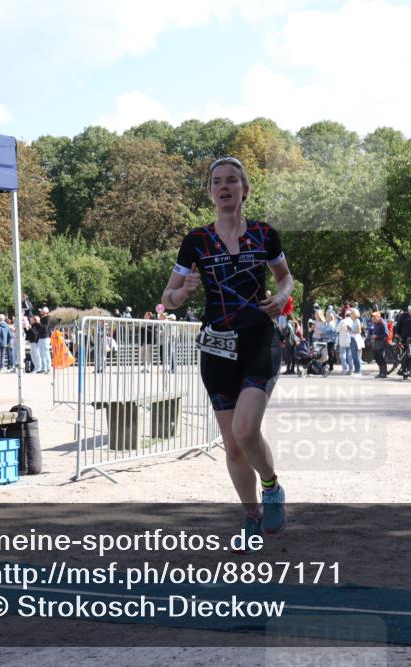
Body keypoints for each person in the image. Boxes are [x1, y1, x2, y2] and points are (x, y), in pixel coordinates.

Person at [160, 156, 291, 538]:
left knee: (247, 430)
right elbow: (167, 297)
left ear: (245, 189)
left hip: (258, 342)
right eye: (217, 181)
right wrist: (179, 294)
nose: (224, 186)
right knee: (233, 445)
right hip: (216, 348)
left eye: (232, 180)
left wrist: (282, 297)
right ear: (210, 192)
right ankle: (251, 516)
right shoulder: (196, 240)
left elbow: (285, 279)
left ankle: (271, 488)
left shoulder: (265, 235)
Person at [369, 310, 390, 378]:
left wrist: (377, 336)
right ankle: (380, 372)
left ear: (378, 317)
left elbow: (386, 334)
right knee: (377, 357)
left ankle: (384, 373)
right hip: (375, 342)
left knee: (381, 358)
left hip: (381, 342)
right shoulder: (375, 323)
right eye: (373, 317)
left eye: (374, 317)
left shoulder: (383, 323)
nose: (373, 318)